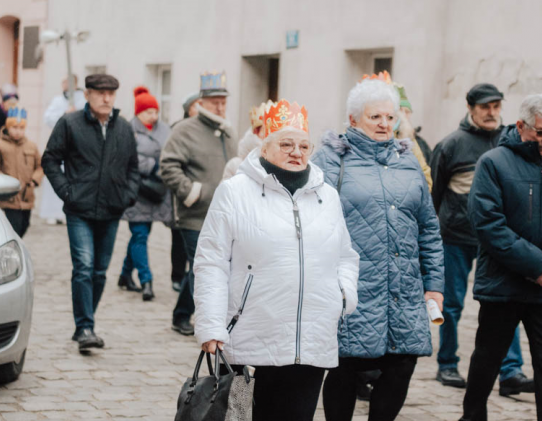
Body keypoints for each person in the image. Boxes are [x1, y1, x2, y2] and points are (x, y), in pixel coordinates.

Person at [194, 99, 359, 421]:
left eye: (303, 145)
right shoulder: (235, 192)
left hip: (312, 341)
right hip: (251, 337)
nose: (296, 152)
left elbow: (346, 256)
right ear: (265, 147)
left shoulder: (327, 195)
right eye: (286, 144)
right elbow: (211, 261)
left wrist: (342, 297)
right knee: (242, 417)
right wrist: (211, 324)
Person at [313, 72, 444, 421]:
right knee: (345, 365)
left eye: (390, 117)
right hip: (352, 287)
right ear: (354, 119)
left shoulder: (408, 161)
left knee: (402, 365)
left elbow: (429, 228)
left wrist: (434, 286)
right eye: (375, 117)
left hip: (404, 289)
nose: (385, 124)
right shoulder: (330, 160)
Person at [461, 94, 542, 421]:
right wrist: (536, 264)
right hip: (503, 285)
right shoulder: (493, 163)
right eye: (541, 132)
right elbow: (488, 223)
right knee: (487, 362)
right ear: (521, 126)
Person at [430, 83, 534, 395]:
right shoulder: (450, 145)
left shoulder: (510, 142)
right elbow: (434, 195)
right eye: (485, 107)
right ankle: (447, 364)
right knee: (451, 304)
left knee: (507, 302)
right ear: (471, 108)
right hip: (456, 237)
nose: (492, 113)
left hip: (499, 239)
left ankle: (511, 371)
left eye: (497, 106)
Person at [41, 73, 140, 352]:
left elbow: (133, 166)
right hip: (79, 209)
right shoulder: (70, 123)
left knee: (99, 271)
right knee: (83, 267)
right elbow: (50, 159)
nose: (106, 98)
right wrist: (67, 191)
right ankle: (85, 327)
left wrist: (127, 196)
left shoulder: (122, 127)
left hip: (111, 209)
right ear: (87, 95)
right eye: (100, 93)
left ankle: (85, 323)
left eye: (111, 93)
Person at [160, 72, 237, 336]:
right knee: (203, 268)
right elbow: (167, 166)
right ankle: (209, 324)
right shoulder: (185, 130)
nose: (220, 107)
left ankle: (181, 314)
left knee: (200, 268)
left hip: (224, 216)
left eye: (223, 102)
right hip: (195, 215)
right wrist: (192, 192)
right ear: (202, 102)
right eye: (215, 101)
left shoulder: (227, 131)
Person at [117, 87, 173, 301]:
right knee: (140, 234)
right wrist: (152, 164)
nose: (153, 116)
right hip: (136, 190)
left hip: (156, 190)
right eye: (148, 112)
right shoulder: (128, 130)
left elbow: (171, 152)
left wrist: (163, 167)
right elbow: (126, 155)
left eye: (155, 111)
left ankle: (124, 274)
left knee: (141, 235)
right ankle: (146, 280)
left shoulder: (164, 129)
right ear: (138, 112)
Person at [40, 75, 87, 225]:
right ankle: (53, 212)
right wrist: (64, 115)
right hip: (60, 141)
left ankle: (68, 210)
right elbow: (48, 118)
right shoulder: (58, 100)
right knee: (55, 178)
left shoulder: (82, 100)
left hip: (76, 144)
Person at [0, 107, 43, 237]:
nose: (18, 131)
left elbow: (40, 166)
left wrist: (35, 180)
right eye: (14, 127)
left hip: (26, 195)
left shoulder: (31, 146)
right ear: (8, 127)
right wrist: (2, 182)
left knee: (25, 224)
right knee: (14, 227)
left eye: (21, 128)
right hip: (10, 197)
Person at [167, 91, 201, 292]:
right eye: (196, 104)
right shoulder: (179, 129)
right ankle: (177, 275)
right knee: (178, 239)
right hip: (183, 194)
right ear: (189, 109)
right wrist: (186, 189)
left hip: (204, 198)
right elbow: (170, 162)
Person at [394, 83, 433, 191]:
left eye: (407, 112)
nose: (404, 116)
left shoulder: (414, 141)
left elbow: (425, 176)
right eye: (401, 110)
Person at [221, 100, 272, 180]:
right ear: (256, 131)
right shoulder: (236, 165)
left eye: (273, 131)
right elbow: (225, 192)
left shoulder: (285, 166)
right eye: (265, 130)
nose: (269, 135)